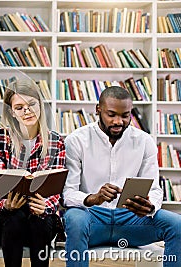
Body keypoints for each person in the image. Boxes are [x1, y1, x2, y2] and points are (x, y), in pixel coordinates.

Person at [63, 86, 181, 267]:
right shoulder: (76, 140)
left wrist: (149, 207)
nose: (118, 121)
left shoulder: (144, 141)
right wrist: (94, 198)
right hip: (92, 218)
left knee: (177, 224)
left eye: (125, 115)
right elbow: (68, 193)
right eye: (111, 115)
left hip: (131, 220)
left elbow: (155, 190)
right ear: (98, 109)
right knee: (74, 219)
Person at [0, 79, 66, 267]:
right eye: (19, 107)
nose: (27, 111)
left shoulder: (55, 141)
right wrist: (6, 204)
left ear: (40, 105)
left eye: (31, 105)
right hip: (5, 217)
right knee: (15, 218)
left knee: (40, 222)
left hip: (39, 217)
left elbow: (57, 187)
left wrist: (45, 206)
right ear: (11, 112)